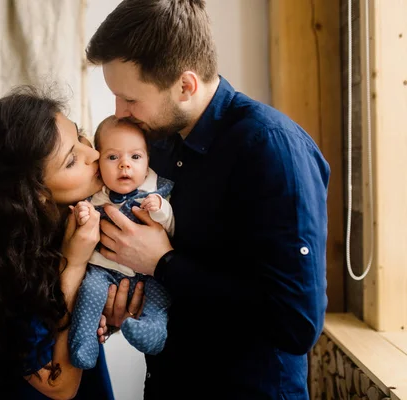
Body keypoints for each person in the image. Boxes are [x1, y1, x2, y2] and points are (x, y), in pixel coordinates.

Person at [88, 0, 330, 399]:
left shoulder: (272, 149)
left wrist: (164, 263)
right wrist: (125, 299)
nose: (120, 113)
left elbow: (296, 322)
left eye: (130, 99)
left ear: (185, 85)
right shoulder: (156, 144)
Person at [0, 85, 143, 400]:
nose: (94, 154)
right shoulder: (0, 267)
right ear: (36, 193)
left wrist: (112, 315)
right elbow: (57, 384)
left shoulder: (76, 223)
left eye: (80, 136)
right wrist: (75, 264)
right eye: (71, 161)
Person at [68, 116, 174, 370]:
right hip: (104, 272)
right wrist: (84, 214)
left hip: (148, 274)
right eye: (113, 158)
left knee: (160, 295)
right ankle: (84, 341)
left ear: (148, 159)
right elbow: (85, 215)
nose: (125, 165)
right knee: (90, 291)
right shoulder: (94, 195)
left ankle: (154, 330)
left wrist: (160, 210)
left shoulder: (156, 192)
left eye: (135, 157)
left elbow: (171, 225)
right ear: (99, 162)